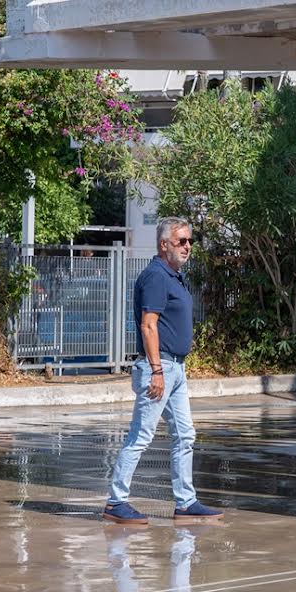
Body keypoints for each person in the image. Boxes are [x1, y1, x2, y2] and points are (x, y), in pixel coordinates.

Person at [103, 217, 222, 525]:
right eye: (181, 241)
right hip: (160, 368)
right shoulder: (156, 276)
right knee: (141, 435)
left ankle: (186, 503)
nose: (188, 246)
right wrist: (156, 371)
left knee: (185, 435)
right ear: (163, 244)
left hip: (176, 369)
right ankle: (116, 502)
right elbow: (148, 325)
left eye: (190, 241)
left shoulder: (174, 276)